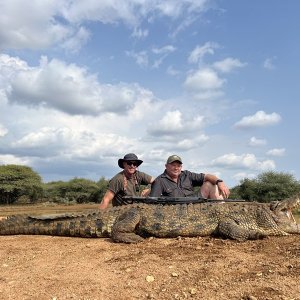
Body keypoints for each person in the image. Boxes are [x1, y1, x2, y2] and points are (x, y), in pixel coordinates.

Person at [149, 154, 230, 199]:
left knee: (210, 183)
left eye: (179, 165)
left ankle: (221, 212)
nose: (176, 168)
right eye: (173, 165)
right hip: (175, 208)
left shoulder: (187, 174)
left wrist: (220, 182)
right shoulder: (159, 181)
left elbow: (207, 176)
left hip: (195, 202)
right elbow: (153, 201)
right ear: (166, 166)